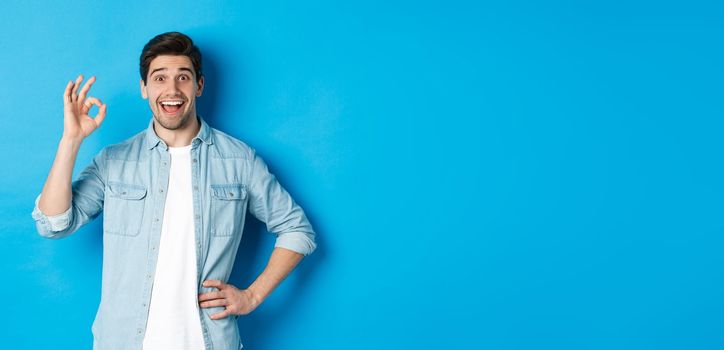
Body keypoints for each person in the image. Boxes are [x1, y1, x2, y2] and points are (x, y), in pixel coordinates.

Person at [31, 31, 316, 350]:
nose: (172, 90)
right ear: (144, 88)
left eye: (183, 77)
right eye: (159, 78)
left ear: (199, 86)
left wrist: (252, 295)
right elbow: (53, 224)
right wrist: (71, 140)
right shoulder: (115, 161)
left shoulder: (239, 160)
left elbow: (297, 230)